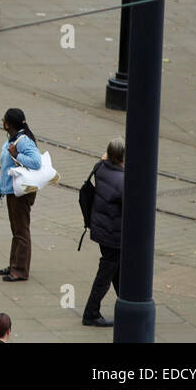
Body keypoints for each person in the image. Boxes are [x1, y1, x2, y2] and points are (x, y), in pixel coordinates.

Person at [0, 108, 42, 282]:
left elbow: (36, 162)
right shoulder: (11, 140)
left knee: (21, 231)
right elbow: (5, 171)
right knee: (16, 231)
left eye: (3, 119)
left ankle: (20, 270)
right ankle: (14, 265)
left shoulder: (24, 141)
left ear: (8, 124)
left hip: (21, 193)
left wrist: (17, 154)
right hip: (12, 192)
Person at [81, 138, 125, 328]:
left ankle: (127, 300)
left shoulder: (101, 168)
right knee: (106, 272)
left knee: (115, 268)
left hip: (101, 228)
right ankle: (91, 313)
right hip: (113, 232)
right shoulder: (123, 180)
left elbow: (102, 162)